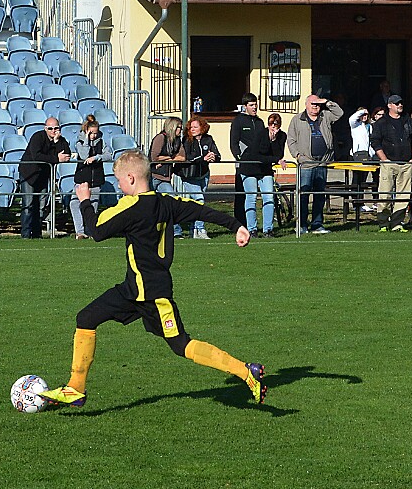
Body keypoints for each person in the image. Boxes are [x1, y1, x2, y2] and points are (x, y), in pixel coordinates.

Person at [37, 150, 266, 408]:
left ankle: (247, 372)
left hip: (153, 295)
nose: (120, 185)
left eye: (120, 180)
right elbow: (202, 211)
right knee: (86, 318)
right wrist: (236, 226)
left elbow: (97, 231)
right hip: (132, 290)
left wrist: (84, 201)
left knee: (182, 345)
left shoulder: (130, 206)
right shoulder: (167, 201)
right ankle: (75, 388)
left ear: (131, 178)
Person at [287, 94, 343, 234]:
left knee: (319, 195)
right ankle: (302, 225)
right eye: (313, 103)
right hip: (306, 163)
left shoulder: (325, 116)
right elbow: (291, 140)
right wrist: (297, 156)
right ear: (306, 104)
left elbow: (339, 113)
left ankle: (317, 225)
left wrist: (327, 102)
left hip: (322, 163)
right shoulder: (297, 119)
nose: (315, 106)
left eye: (317, 104)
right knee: (303, 195)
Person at [370, 95, 412, 232]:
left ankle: (397, 223)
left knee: (403, 196)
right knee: (384, 194)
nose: (400, 105)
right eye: (397, 103)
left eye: (401, 103)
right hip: (388, 164)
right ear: (390, 105)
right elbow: (375, 142)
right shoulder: (381, 123)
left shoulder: (408, 121)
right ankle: (383, 223)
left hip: (406, 164)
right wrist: (384, 159)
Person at [18, 116, 71, 239]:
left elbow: (66, 155)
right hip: (29, 174)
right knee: (28, 205)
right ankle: (25, 234)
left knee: (41, 206)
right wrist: (56, 158)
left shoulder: (60, 140)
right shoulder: (37, 137)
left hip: (43, 176)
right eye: (50, 128)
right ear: (45, 128)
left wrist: (57, 142)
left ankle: (37, 234)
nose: (53, 131)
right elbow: (37, 156)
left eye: (56, 128)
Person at [240, 112, 287, 238]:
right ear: (268, 125)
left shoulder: (282, 136)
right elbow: (257, 155)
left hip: (265, 169)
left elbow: (279, 154)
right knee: (251, 197)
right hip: (249, 168)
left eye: (276, 126)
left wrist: (274, 141)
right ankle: (252, 229)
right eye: (272, 125)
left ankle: (268, 229)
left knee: (269, 197)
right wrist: (273, 156)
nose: (274, 128)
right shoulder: (260, 133)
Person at [177, 115, 221, 239]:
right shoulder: (186, 140)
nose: (193, 129)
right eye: (191, 127)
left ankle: (193, 229)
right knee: (200, 200)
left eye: (195, 127)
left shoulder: (208, 139)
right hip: (189, 175)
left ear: (202, 127)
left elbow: (217, 154)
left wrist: (213, 157)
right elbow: (188, 157)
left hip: (203, 175)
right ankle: (201, 229)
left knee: (195, 203)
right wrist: (203, 158)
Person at [69, 115, 112, 240]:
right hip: (82, 179)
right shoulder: (79, 142)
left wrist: (97, 157)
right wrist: (86, 140)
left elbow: (108, 155)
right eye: (91, 133)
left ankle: (90, 231)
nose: (94, 136)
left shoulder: (102, 142)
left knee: (92, 206)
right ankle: (80, 231)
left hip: (96, 180)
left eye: (95, 133)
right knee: (74, 203)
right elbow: (83, 155)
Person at [229, 93, 266, 226]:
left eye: (255, 105)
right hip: (243, 164)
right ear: (245, 106)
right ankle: (239, 223)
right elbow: (233, 143)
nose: (254, 108)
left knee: (254, 195)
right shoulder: (238, 121)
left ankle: (253, 224)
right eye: (251, 105)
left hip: (257, 165)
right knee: (241, 194)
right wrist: (239, 158)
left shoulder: (260, 122)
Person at [149, 116, 185, 238]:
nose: (180, 130)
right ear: (172, 127)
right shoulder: (160, 138)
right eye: (178, 127)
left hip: (165, 177)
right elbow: (154, 157)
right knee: (149, 204)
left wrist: (166, 159)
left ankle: (176, 231)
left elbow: (182, 157)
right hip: (153, 175)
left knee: (172, 201)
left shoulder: (177, 141)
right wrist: (171, 158)